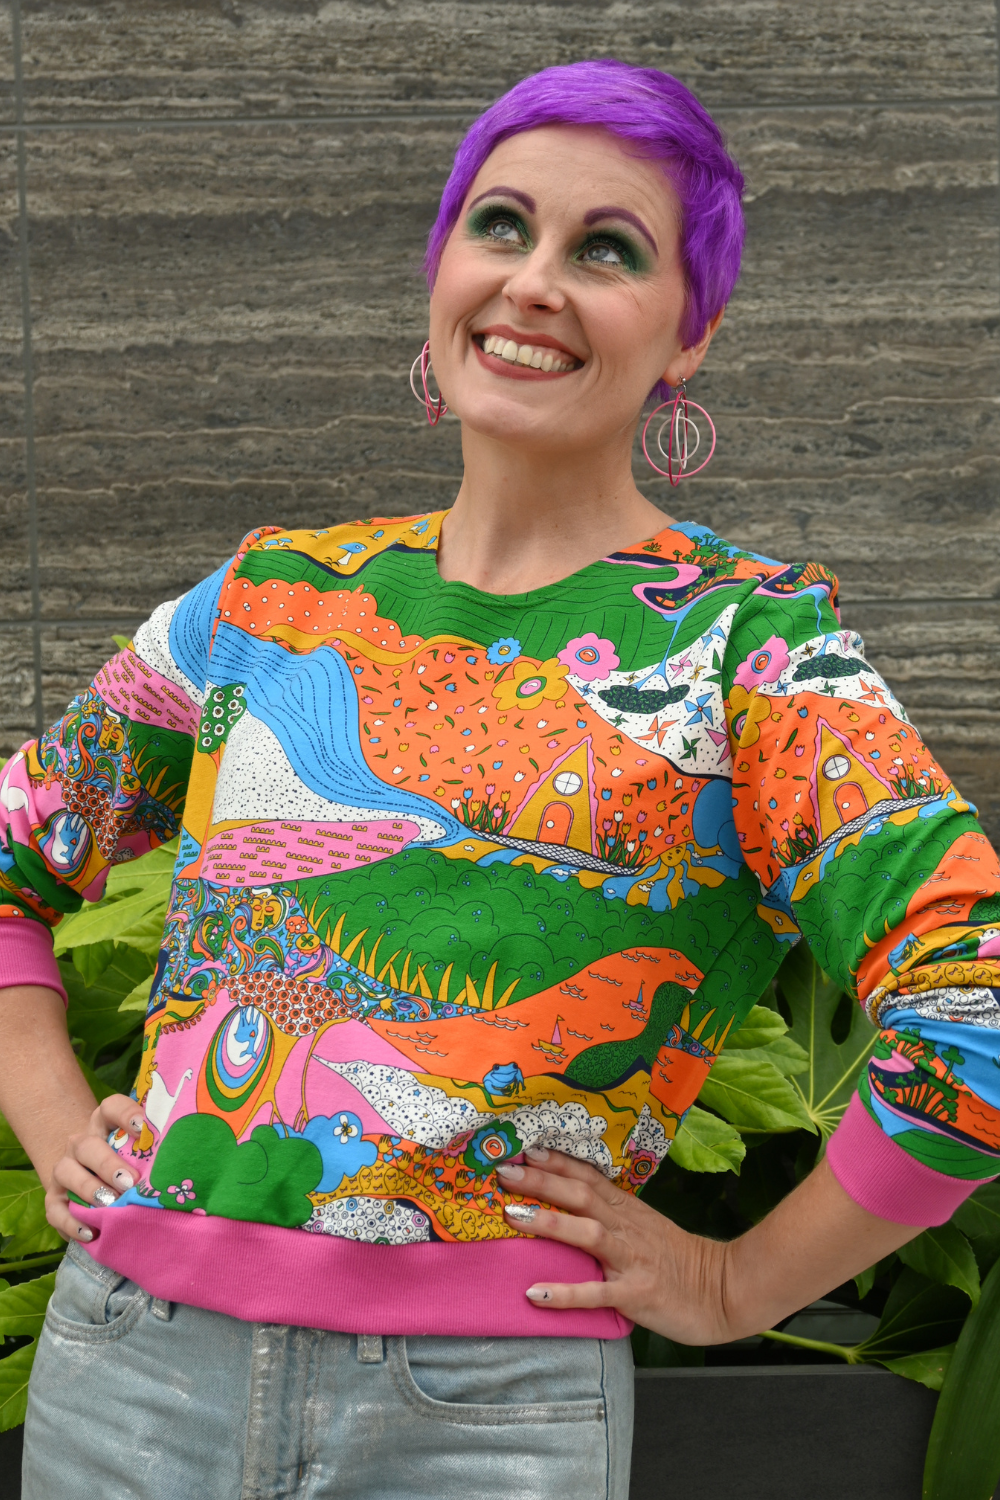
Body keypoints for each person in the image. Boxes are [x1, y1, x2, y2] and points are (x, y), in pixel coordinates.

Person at [2, 58, 998, 1500]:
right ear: (441, 272)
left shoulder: (747, 648)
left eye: (607, 250)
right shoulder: (270, 599)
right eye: (501, 226)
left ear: (689, 332)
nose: (534, 281)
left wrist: (738, 1287)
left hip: (479, 1422)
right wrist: (47, 1117)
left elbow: (973, 1010)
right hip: (126, 1373)